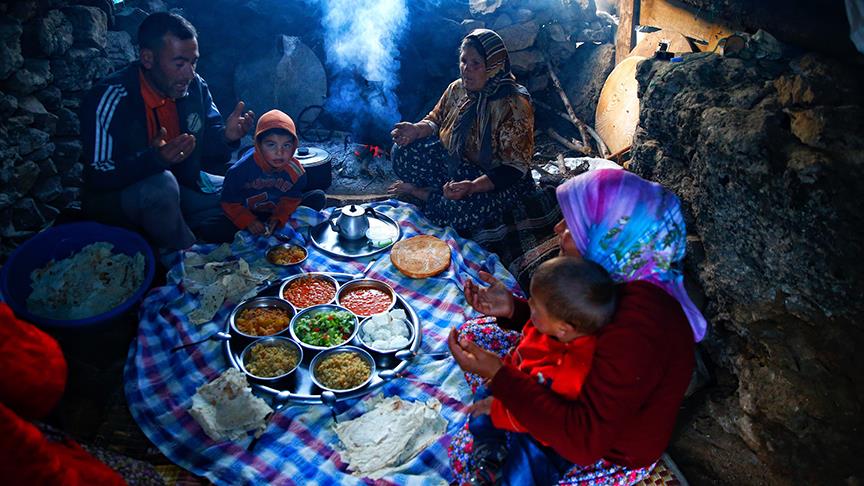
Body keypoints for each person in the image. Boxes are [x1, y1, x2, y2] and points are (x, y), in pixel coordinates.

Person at [447, 168, 707, 485]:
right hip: (578, 381)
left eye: (571, 224)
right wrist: (514, 310)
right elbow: (577, 328)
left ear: (610, 235)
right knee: (475, 336)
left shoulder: (639, 326)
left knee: (471, 449)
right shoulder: (619, 276)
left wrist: (501, 378)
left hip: (605, 448)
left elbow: (584, 439)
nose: (558, 228)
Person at [80, 12, 255, 250]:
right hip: (125, 198)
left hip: (185, 185)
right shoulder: (112, 97)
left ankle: (194, 224)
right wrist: (155, 159)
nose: (189, 73)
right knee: (161, 186)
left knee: (246, 184)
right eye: (179, 63)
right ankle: (187, 258)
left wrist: (227, 136)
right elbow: (97, 174)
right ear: (148, 58)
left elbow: (211, 148)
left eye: (193, 62)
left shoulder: (194, 87)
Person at [465, 256, 618, 485]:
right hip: (523, 393)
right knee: (481, 403)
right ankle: (489, 455)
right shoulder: (548, 327)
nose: (530, 306)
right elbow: (520, 356)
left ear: (563, 329)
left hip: (545, 429)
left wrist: (500, 409)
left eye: (535, 307)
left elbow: (541, 416)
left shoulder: (571, 371)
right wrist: (499, 384)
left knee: (528, 462)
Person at [388, 28, 537, 232]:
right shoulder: (458, 89)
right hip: (457, 162)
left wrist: (473, 186)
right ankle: (442, 194)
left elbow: (513, 169)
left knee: (461, 212)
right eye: (464, 61)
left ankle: (423, 194)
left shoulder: (514, 105)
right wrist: (415, 129)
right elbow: (435, 120)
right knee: (401, 153)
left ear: (493, 66)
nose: (466, 69)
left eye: (476, 63)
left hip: (496, 178)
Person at [221, 109, 326, 236]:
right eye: (271, 145)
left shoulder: (296, 172)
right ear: (258, 145)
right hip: (250, 210)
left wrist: (279, 216)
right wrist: (248, 221)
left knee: (318, 197)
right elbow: (229, 201)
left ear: (294, 146)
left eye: (286, 145)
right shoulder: (239, 171)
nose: (279, 153)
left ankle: (275, 225)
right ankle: (261, 226)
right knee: (212, 227)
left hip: (277, 208)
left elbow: (292, 197)